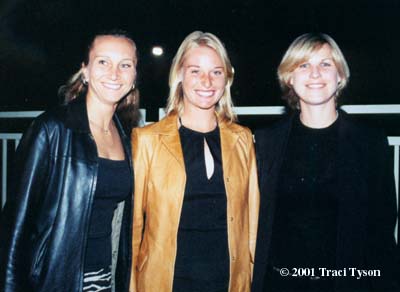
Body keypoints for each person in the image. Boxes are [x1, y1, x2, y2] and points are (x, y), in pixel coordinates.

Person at [252, 33, 399, 292]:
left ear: (340, 76)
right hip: (281, 284)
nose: (315, 74)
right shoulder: (266, 143)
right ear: (289, 77)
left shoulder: (370, 142)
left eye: (325, 64)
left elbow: (382, 231)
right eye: (304, 65)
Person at [0, 30, 138, 292]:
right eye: (103, 62)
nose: (114, 73)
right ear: (84, 71)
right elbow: (15, 225)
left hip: (105, 280)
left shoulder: (126, 137)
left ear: (133, 78)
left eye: (125, 65)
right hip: (55, 281)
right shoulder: (50, 130)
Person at [130, 31, 259, 292]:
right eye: (195, 71)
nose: (206, 81)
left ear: (227, 78)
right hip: (166, 283)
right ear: (179, 75)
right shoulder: (147, 140)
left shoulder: (243, 140)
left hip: (228, 282)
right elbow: (132, 230)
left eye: (216, 72)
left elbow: (252, 223)